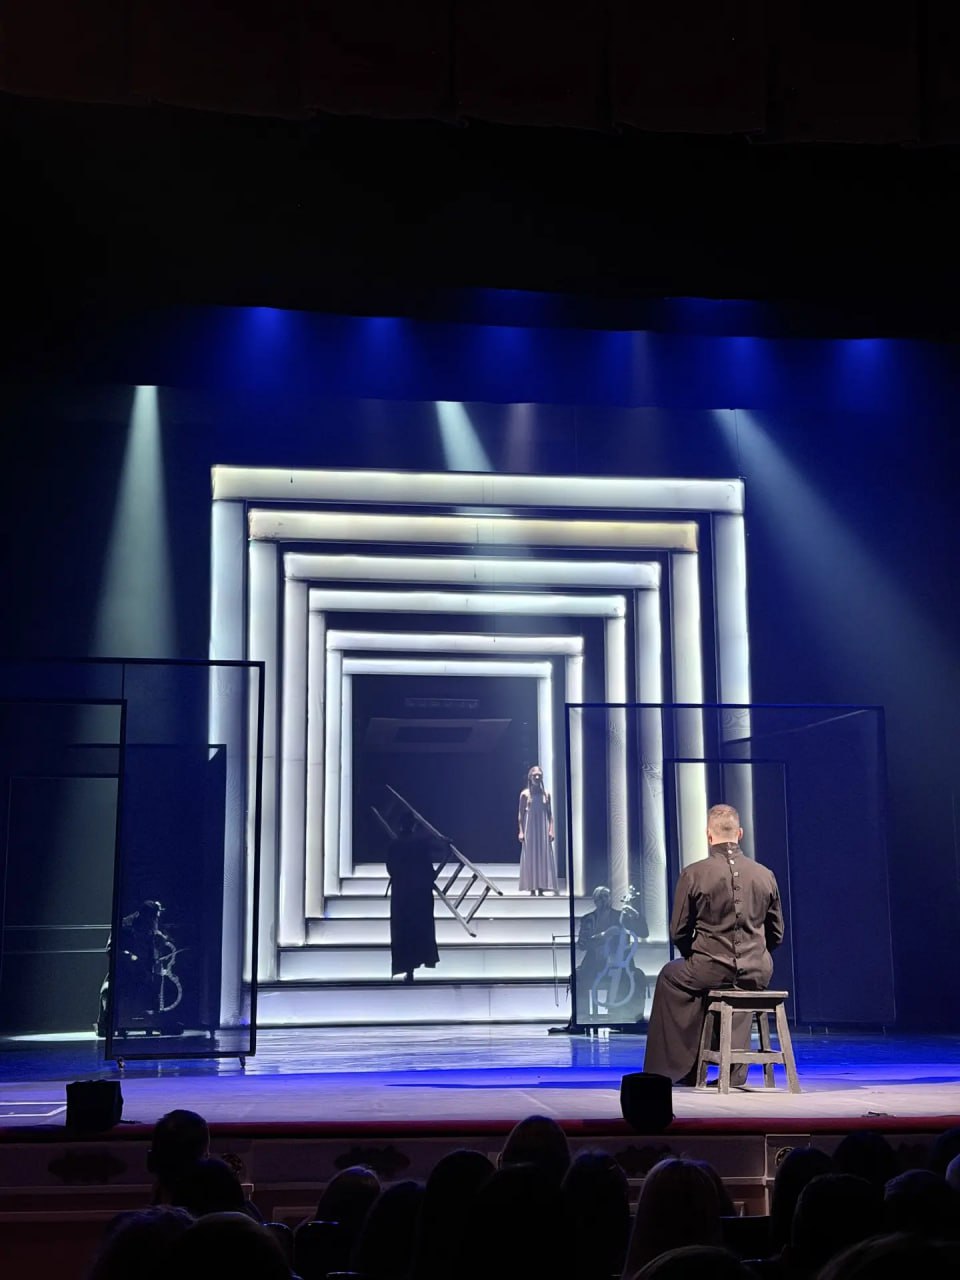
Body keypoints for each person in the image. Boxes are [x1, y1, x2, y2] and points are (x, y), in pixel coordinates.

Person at [643, 803, 784, 1086]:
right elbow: (776, 933)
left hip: (708, 967)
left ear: (709, 835)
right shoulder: (765, 874)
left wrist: (695, 955)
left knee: (671, 976)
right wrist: (752, 955)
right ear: (740, 833)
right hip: (756, 969)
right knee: (728, 981)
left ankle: (678, 1069)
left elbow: (678, 931)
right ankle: (734, 1069)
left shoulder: (694, 873)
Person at [576, 885, 648, 1021]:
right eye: (600, 897)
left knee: (637, 977)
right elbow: (582, 944)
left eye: (606, 896)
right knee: (577, 978)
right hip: (595, 964)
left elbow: (644, 933)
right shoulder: (588, 919)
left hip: (621, 964)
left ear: (610, 899)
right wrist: (603, 935)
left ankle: (632, 1016)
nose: (604, 900)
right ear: (595, 900)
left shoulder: (621, 917)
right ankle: (581, 1017)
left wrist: (636, 916)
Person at [386, 814, 440, 982]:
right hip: (419, 895)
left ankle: (407, 968)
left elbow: (391, 868)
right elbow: (429, 870)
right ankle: (416, 964)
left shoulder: (395, 845)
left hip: (402, 895)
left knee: (403, 931)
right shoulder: (420, 845)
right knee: (419, 929)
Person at [518, 764, 557, 894]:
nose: (537, 777)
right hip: (530, 828)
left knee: (542, 855)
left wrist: (551, 830)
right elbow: (520, 814)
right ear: (530, 777)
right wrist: (521, 831)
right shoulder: (525, 794)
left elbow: (550, 814)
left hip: (542, 828)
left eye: (539, 775)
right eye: (535, 775)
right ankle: (531, 887)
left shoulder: (546, 794)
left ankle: (541, 887)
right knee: (531, 856)